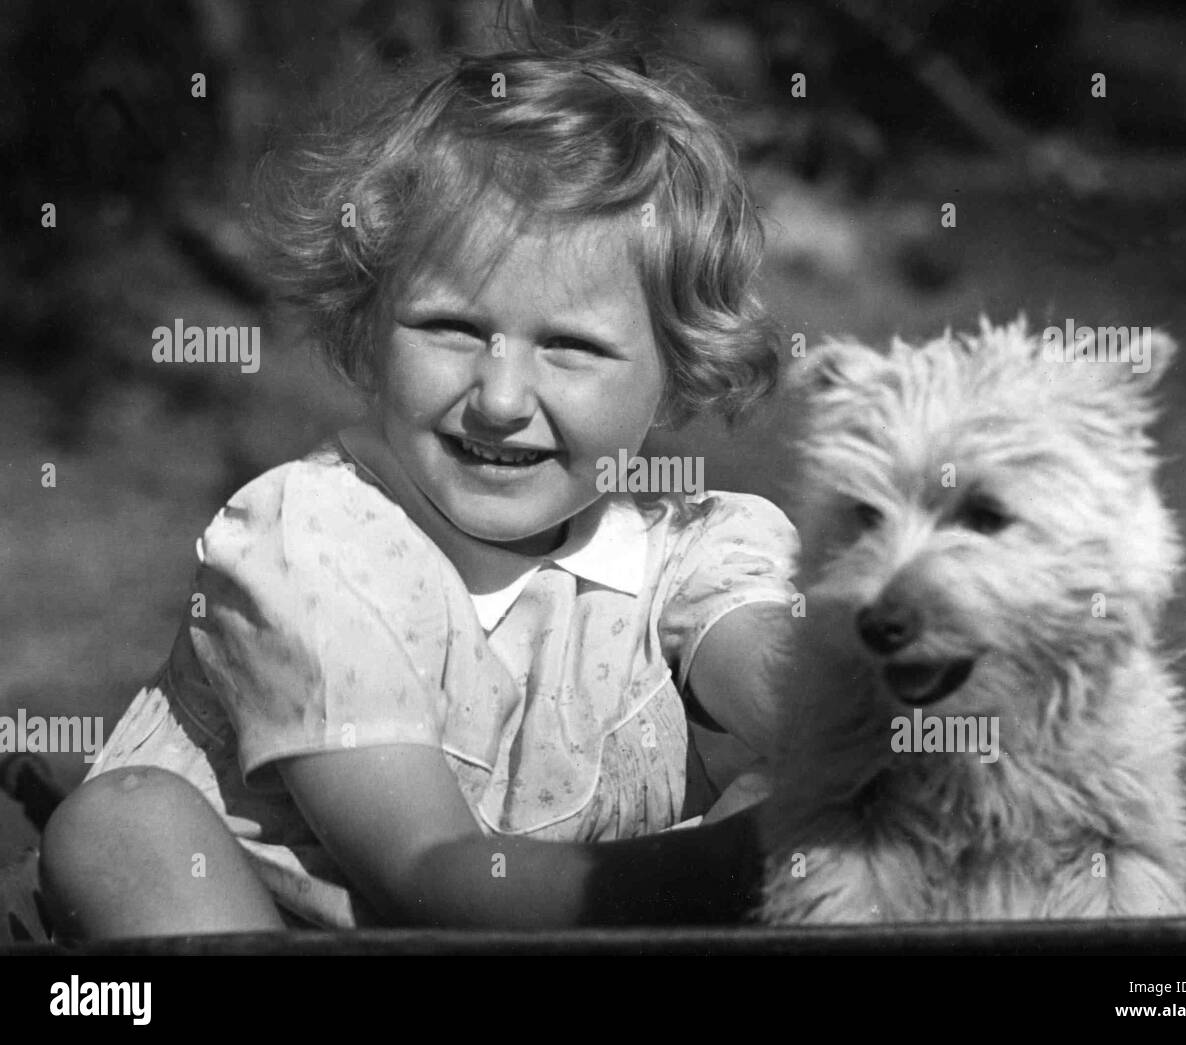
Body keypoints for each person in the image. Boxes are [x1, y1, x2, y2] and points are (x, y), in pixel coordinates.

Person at [37, 38, 798, 938]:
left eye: (572, 346)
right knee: (121, 821)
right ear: (368, 327)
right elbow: (432, 877)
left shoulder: (701, 546)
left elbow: (807, 700)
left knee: (796, 777)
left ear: (674, 373)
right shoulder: (312, 539)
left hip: (564, 923)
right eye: (448, 326)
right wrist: (751, 859)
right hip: (304, 919)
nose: (502, 399)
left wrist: (861, 762)